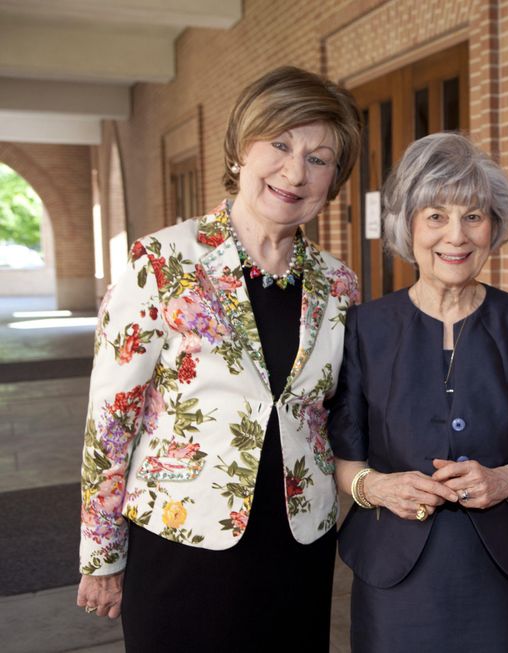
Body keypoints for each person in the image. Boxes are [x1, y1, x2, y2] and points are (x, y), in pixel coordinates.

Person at [75, 66, 361, 650]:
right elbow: (112, 415)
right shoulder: (162, 261)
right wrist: (100, 552)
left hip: (296, 545)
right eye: (279, 144)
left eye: (319, 158)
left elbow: (337, 414)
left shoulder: (339, 285)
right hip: (182, 540)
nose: (294, 171)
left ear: (334, 180)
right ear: (240, 150)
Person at [327, 132, 508, 652]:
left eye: (474, 216)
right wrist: (377, 488)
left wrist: (506, 479)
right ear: (407, 224)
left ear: (494, 227)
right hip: (395, 579)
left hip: (503, 578)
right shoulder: (364, 327)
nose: (456, 235)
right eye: (436, 215)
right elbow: (343, 456)